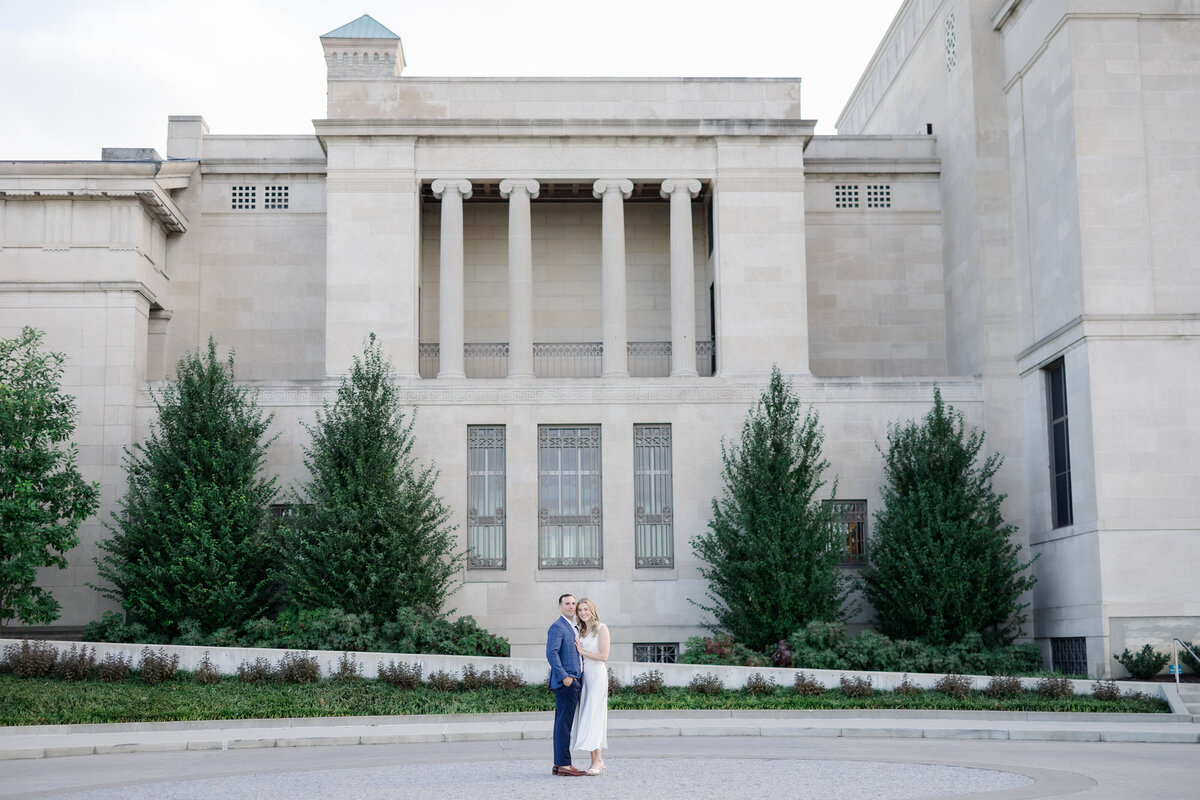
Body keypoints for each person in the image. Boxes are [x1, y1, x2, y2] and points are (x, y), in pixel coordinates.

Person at [546, 593, 584, 776]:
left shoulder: (573, 627)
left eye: (573, 603)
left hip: (572, 682)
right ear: (560, 607)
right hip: (566, 683)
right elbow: (551, 654)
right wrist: (564, 677)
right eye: (567, 604)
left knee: (563, 724)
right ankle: (564, 765)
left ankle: (559, 763)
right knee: (563, 725)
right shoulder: (557, 627)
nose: (571, 606)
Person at [571, 597, 610, 775]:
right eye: (580, 610)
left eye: (586, 609)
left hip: (597, 676)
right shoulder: (580, 631)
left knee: (595, 715)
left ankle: (599, 759)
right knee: (587, 716)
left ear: (592, 610)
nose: (583, 613)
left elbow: (603, 656)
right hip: (585, 676)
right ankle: (594, 761)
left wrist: (583, 651)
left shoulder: (601, 628)